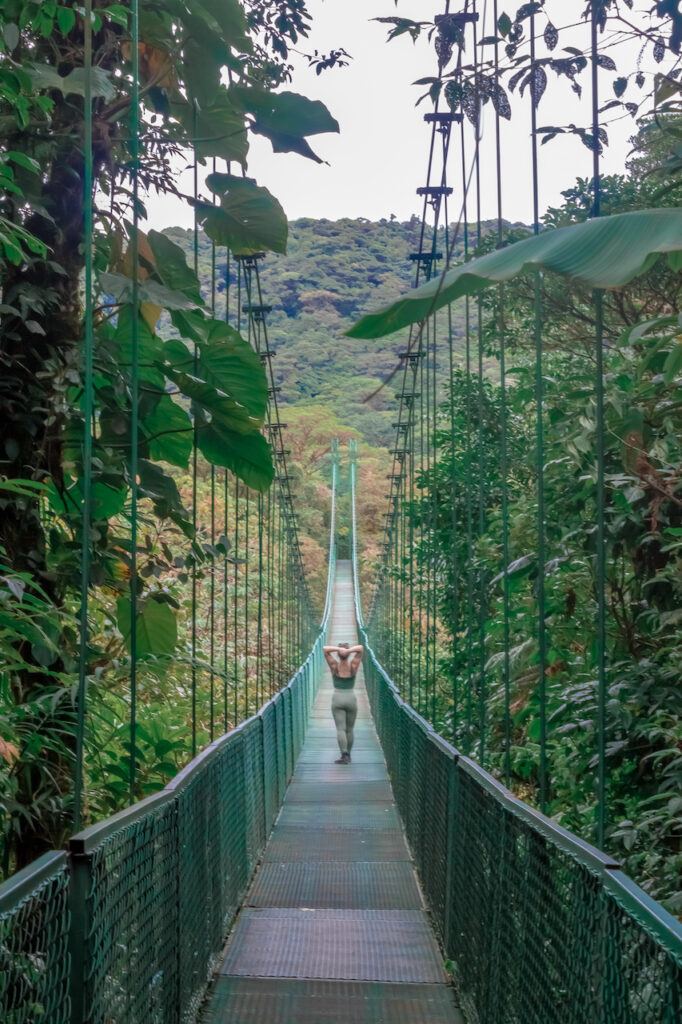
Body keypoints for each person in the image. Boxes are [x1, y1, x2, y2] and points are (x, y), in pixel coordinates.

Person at [322, 641, 364, 765]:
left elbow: (325, 649)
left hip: (337, 699)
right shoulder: (354, 665)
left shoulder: (334, 665)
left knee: (341, 729)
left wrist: (338, 649)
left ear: (338, 654)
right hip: (351, 698)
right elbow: (361, 648)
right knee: (350, 729)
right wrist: (348, 651)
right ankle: (349, 756)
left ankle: (344, 755)